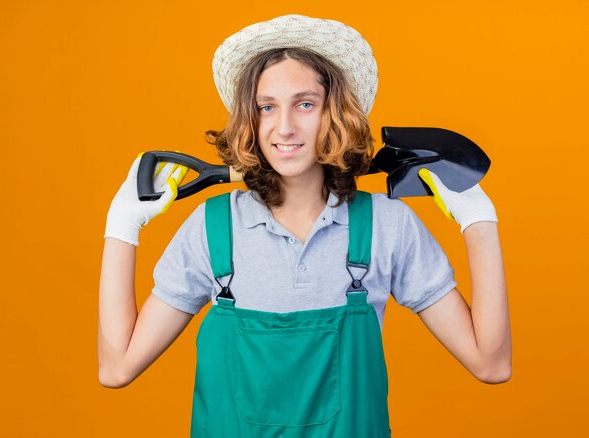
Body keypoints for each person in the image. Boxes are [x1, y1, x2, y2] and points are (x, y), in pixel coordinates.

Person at [98, 14, 511, 437]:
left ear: (335, 115)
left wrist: (478, 222)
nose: (285, 127)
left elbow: (491, 363)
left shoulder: (387, 226)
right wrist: (122, 227)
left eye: (306, 104)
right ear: (251, 120)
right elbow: (117, 367)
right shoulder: (212, 229)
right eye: (267, 107)